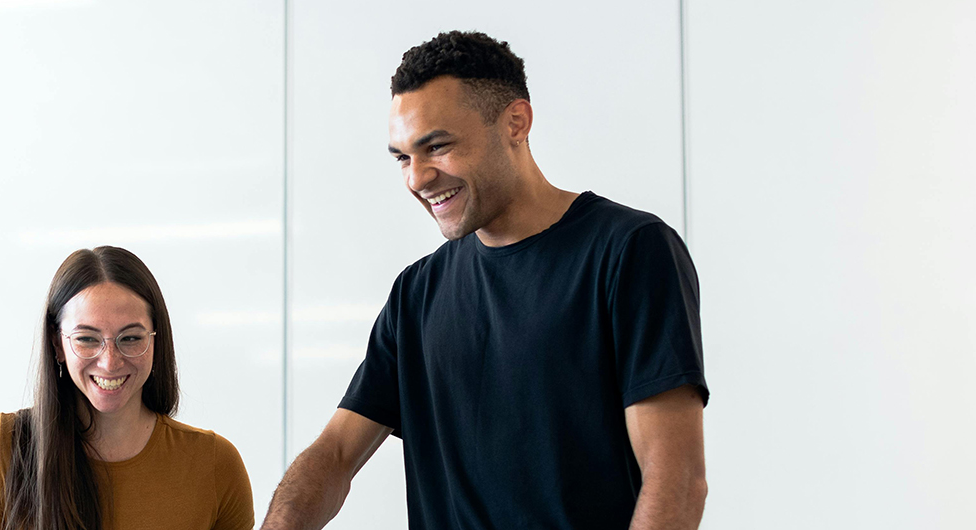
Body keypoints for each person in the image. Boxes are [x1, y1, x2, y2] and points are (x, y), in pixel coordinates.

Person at [261, 31, 709, 530]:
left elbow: (677, 476)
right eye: (403, 157)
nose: (417, 177)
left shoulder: (628, 250)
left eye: (437, 146)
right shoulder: (417, 293)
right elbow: (337, 454)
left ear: (516, 122)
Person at [0, 246, 255, 530]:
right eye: (87, 339)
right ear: (58, 344)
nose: (109, 362)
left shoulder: (216, 465)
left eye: (130, 338)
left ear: (156, 341)